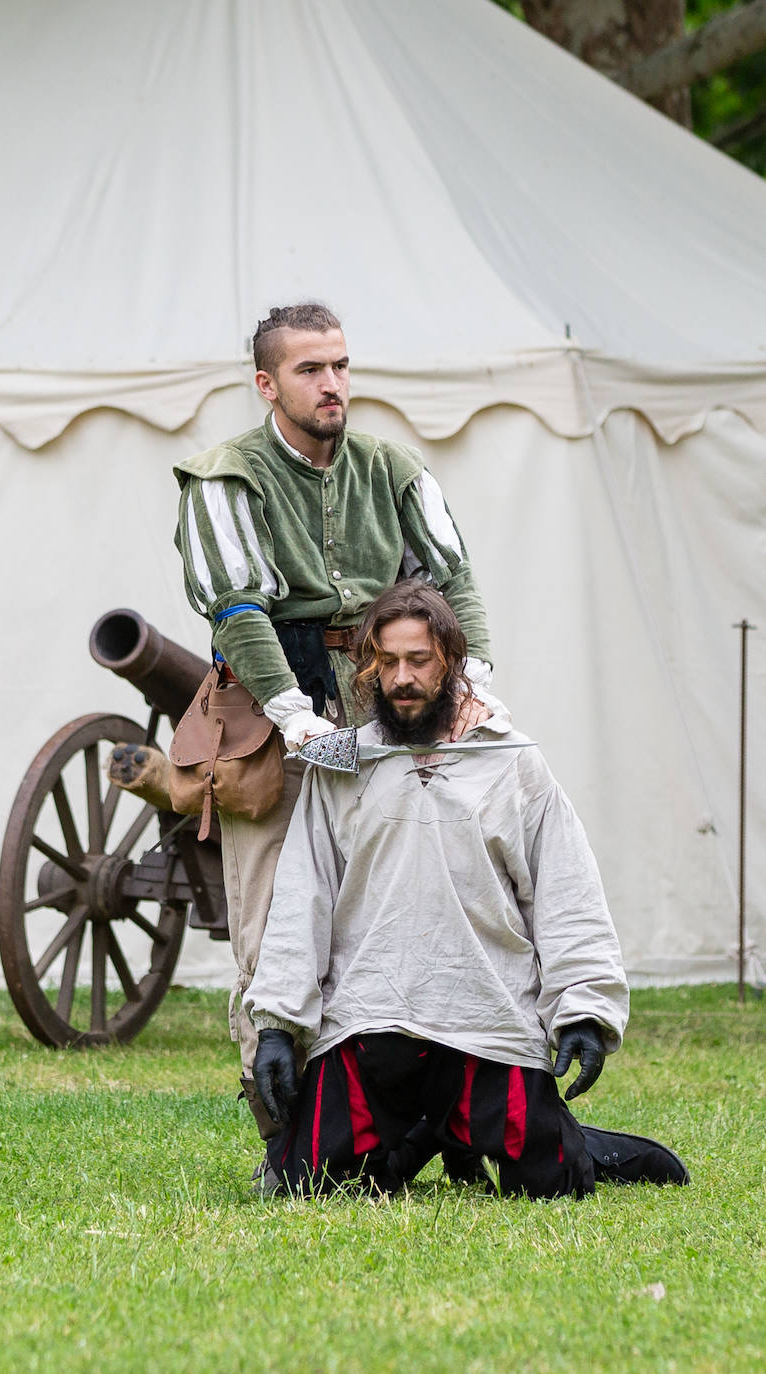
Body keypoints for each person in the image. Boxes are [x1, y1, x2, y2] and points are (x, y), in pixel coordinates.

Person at [244, 582, 689, 1198]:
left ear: (451, 661)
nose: (402, 678)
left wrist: (582, 1008)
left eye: (418, 660)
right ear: (368, 669)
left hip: (485, 1016)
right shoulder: (341, 768)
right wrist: (278, 1026)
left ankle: (559, 1137)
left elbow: (566, 891)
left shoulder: (511, 762)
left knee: (552, 1181)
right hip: (370, 1016)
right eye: (388, 662)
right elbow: (304, 898)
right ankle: (438, 1132)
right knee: (308, 1184)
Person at [171, 302, 496, 1136]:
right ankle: (284, 1139)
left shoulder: (391, 468)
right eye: (311, 369)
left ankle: (377, 1121)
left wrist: (472, 683)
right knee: (274, 918)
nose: (332, 384)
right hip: (265, 707)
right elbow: (238, 606)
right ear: (266, 383)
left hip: (380, 696)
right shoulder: (225, 474)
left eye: (341, 366)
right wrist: (293, 715)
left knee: (386, 905)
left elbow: (450, 582)